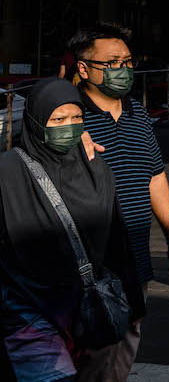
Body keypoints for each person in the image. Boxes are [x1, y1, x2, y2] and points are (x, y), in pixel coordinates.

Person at [68, 23, 169, 381]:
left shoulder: (137, 113)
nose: (123, 69)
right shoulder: (69, 117)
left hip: (136, 258)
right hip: (93, 262)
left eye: (127, 61)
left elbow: (156, 177)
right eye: (112, 62)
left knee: (125, 348)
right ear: (84, 68)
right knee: (90, 355)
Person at [0, 78, 145, 381]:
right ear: (37, 121)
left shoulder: (95, 169)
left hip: (83, 310)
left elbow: (117, 238)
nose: (69, 126)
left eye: (77, 117)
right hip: (24, 306)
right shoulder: (8, 171)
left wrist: (133, 297)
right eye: (58, 119)